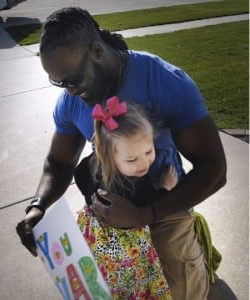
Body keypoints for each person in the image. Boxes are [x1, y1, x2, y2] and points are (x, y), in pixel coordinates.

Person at [15, 6, 230, 300]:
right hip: (110, 216)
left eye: (72, 79)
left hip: (165, 208)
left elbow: (214, 168)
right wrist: (38, 206)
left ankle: (197, 262)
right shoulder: (71, 102)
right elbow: (58, 163)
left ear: (97, 52)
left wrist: (145, 213)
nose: (69, 91)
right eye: (58, 82)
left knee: (179, 292)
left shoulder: (164, 81)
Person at [76, 97, 175, 299]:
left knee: (103, 282)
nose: (144, 163)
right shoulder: (134, 186)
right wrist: (165, 187)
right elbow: (152, 207)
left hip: (94, 239)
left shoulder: (93, 163)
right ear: (109, 156)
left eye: (148, 151)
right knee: (132, 285)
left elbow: (78, 174)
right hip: (125, 251)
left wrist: (90, 199)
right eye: (132, 159)